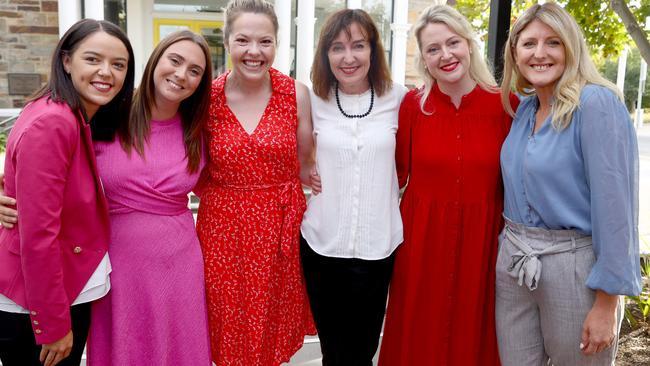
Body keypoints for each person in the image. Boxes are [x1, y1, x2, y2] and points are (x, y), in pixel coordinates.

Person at [496, 3, 641, 365]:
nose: (540, 53)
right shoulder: (525, 109)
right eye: (528, 44)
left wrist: (606, 302)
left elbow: (616, 210)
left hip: (574, 267)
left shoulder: (596, 104)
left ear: (571, 48)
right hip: (515, 262)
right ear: (515, 53)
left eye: (553, 43)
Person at [378, 4, 518, 365]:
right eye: (433, 49)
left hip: (483, 245)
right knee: (418, 336)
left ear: (469, 44)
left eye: (452, 43)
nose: (445, 55)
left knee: (477, 336)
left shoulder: (507, 104)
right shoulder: (412, 107)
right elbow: (389, 173)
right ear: (423, 59)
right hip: (421, 247)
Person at [0, 19, 134, 366]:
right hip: (36, 305)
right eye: (93, 59)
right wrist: (53, 325)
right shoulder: (54, 121)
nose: (106, 72)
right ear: (66, 61)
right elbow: (39, 234)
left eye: (118, 65)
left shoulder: (69, 114)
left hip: (57, 293)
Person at [196, 0, 316, 364]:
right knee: (226, 330)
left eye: (265, 41)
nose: (254, 52)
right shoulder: (205, 99)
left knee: (271, 335)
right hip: (222, 233)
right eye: (243, 40)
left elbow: (307, 165)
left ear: (277, 44)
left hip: (278, 230)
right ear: (228, 41)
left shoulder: (296, 94)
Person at [86, 30, 213, 365]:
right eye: (175, 60)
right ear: (156, 60)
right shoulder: (107, 115)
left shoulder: (199, 130)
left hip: (179, 265)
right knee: (125, 347)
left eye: (195, 71)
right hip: (118, 263)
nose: (181, 74)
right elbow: (56, 164)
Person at [300, 8, 406, 366]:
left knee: (362, 351)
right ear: (325, 54)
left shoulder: (400, 98)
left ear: (373, 51)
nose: (348, 58)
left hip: (377, 247)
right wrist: (303, 169)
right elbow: (285, 149)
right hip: (322, 245)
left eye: (358, 46)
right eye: (337, 48)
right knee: (333, 350)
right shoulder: (312, 100)